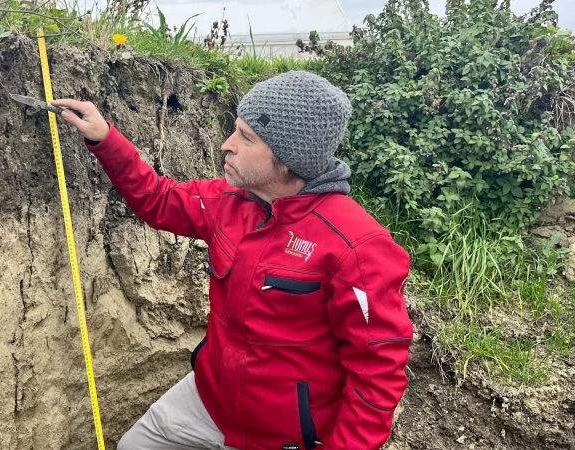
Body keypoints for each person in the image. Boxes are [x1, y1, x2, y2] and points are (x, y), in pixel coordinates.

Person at [53, 71, 413, 450]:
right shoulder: (232, 200)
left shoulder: (358, 248)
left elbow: (377, 375)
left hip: (283, 438)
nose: (227, 145)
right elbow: (158, 199)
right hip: (208, 401)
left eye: (246, 137)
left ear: (289, 159)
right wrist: (105, 138)